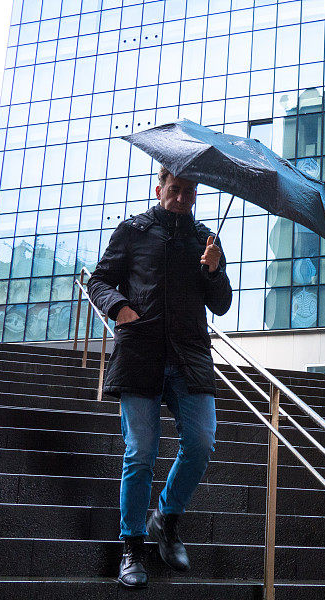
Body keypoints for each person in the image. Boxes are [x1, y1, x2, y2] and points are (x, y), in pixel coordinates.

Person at [88, 166, 232, 588]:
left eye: (189, 191)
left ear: (196, 195)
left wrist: (213, 271)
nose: (182, 197)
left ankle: (165, 520)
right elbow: (99, 279)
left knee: (203, 440)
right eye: (175, 189)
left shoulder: (207, 240)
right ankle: (131, 545)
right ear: (160, 189)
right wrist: (120, 308)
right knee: (141, 452)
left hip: (189, 357)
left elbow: (220, 305)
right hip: (141, 352)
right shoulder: (133, 230)